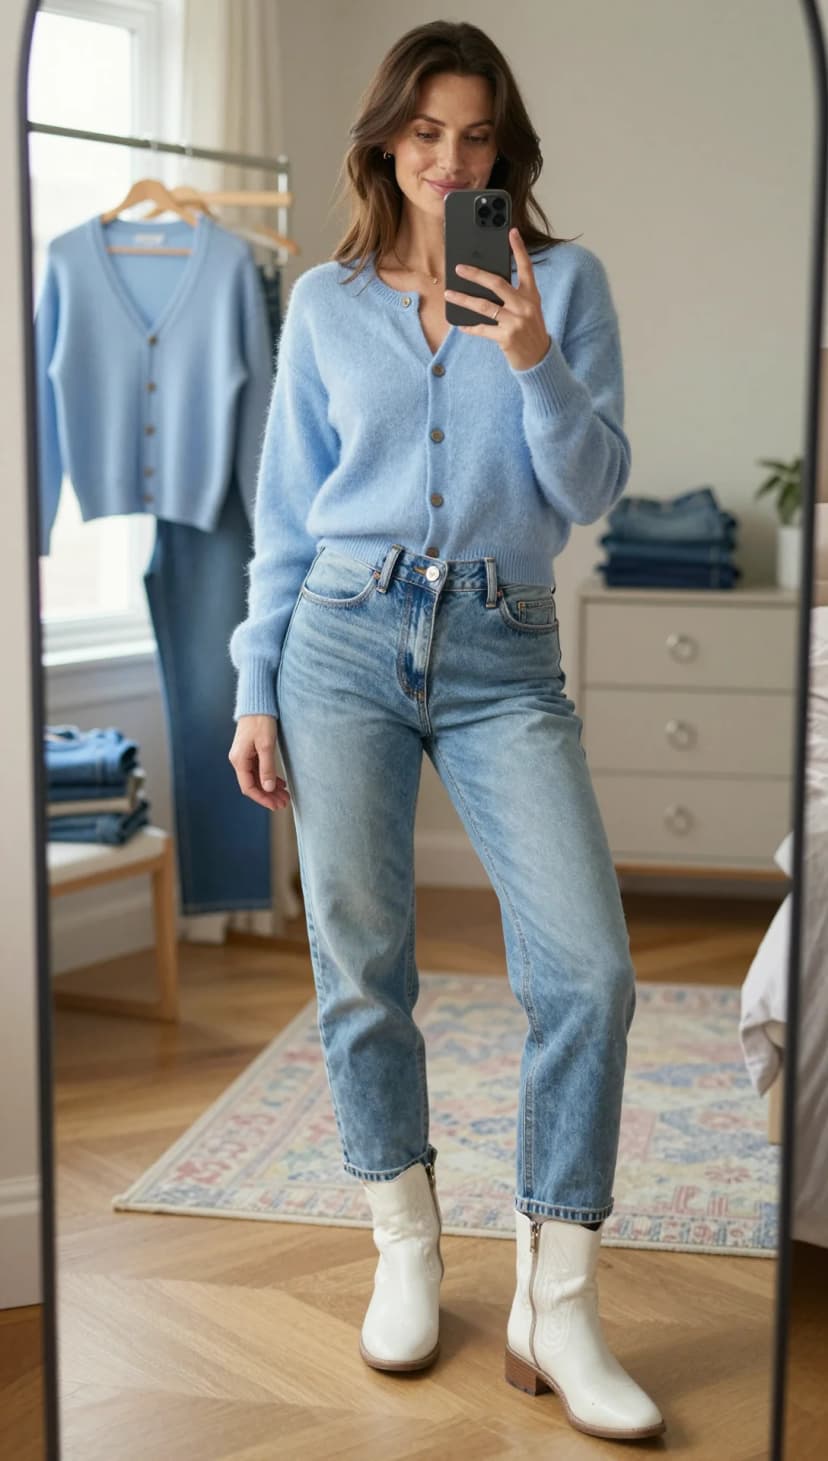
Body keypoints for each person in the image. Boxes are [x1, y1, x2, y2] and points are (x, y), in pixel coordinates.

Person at [227, 18, 665, 1443]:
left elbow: (592, 487)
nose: (449, 160)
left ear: (504, 152)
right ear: (386, 140)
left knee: (588, 969)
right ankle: (405, 1245)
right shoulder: (326, 304)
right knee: (362, 960)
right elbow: (282, 517)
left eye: (476, 139)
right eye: (426, 134)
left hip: (502, 646)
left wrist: (533, 353)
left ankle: (558, 1292)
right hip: (339, 638)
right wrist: (251, 681)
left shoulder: (564, 282)